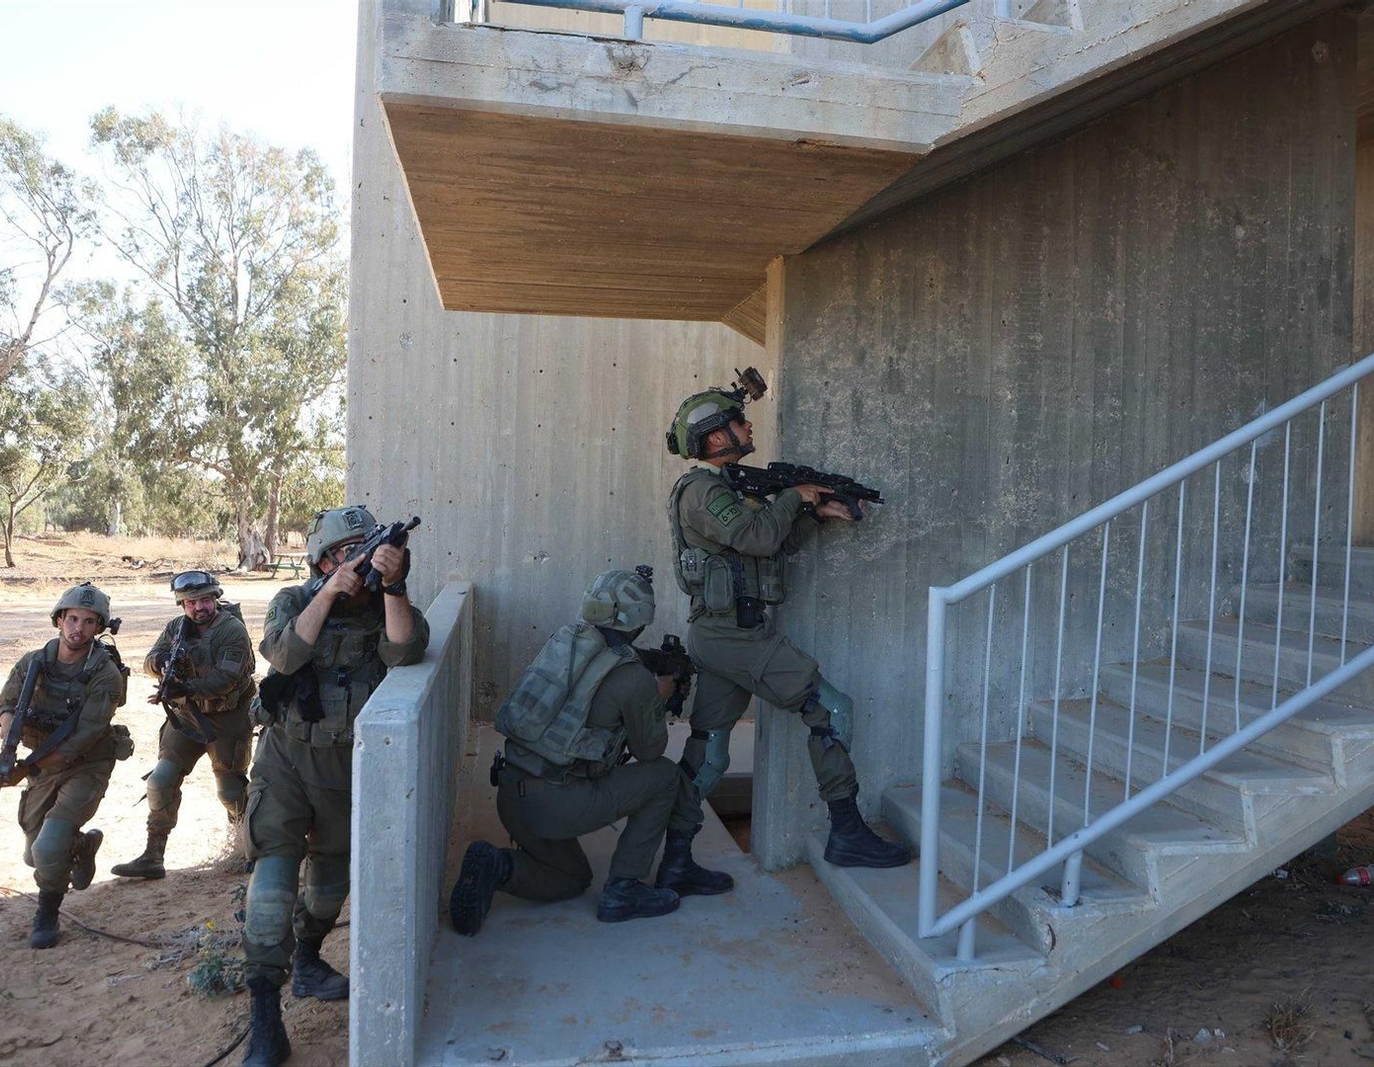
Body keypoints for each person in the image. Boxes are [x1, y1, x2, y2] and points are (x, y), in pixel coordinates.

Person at [664, 383, 910, 869]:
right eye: (738, 421)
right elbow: (756, 537)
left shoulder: (724, 490)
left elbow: (771, 548)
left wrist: (814, 513)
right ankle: (847, 833)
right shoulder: (702, 490)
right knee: (831, 710)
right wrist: (793, 496)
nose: (749, 425)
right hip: (735, 637)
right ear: (714, 438)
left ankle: (674, 861)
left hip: (723, 635)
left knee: (710, 751)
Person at [240, 506, 428, 1067]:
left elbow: (406, 651)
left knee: (326, 891)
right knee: (272, 884)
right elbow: (282, 653)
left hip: (350, 772)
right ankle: (264, 1016)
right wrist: (327, 594)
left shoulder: (384, 607)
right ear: (323, 561)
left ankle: (308, 960)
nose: (359, 561)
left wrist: (394, 585)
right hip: (287, 762)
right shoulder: (294, 601)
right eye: (347, 553)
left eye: (364, 551)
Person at [448, 566, 731, 938]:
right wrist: (656, 699)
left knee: (572, 878)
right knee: (663, 777)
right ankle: (625, 890)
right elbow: (651, 750)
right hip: (557, 803)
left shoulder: (566, 643)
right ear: (640, 621)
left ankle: (497, 865)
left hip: (513, 794)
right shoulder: (633, 679)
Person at [0, 582, 131, 948]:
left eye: (88, 622)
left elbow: (81, 740)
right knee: (33, 856)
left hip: (87, 764)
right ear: (58, 620)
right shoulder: (34, 662)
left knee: (48, 850)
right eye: (72, 619)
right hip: (42, 765)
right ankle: (82, 845)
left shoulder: (105, 675)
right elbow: (5, 705)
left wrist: (26, 770)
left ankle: (47, 913)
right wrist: (10, 737)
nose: (77, 629)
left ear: (98, 628)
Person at [112, 571, 254, 879]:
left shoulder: (232, 630)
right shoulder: (177, 628)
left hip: (227, 719)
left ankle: (249, 844)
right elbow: (149, 660)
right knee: (160, 782)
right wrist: (161, 664)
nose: (199, 608)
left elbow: (226, 678)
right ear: (182, 604)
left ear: (215, 598)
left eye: (205, 600)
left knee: (231, 790)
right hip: (186, 717)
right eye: (191, 602)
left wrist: (187, 689)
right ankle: (153, 854)